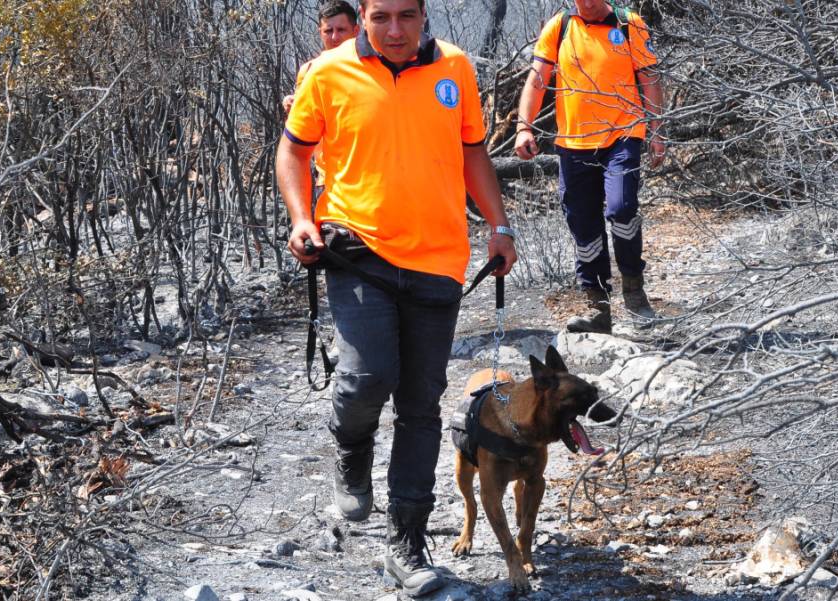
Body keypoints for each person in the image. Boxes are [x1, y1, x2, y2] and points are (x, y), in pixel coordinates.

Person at [275, 0, 517, 596]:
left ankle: (405, 542)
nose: (394, 30)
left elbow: (472, 153)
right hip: (356, 250)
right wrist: (302, 218)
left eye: (406, 16)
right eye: (381, 17)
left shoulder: (455, 68)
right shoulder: (328, 71)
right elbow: (294, 151)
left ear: (424, 14)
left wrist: (500, 225)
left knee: (421, 403)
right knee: (367, 375)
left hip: (438, 258)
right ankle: (351, 451)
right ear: (363, 15)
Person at [515, 0, 666, 334]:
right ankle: (598, 308)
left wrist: (656, 131)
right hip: (573, 145)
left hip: (622, 137)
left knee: (622, 209)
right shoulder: (560, 27)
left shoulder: (629, 24)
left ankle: (634, 292)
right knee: (584, 227)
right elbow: (537, 80)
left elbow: (650, 79)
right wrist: (524, 127)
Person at [281, 1, 360, 206]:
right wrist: (293, 107)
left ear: (356, 31)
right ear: (320, 32)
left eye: (341, 30)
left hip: (363, 180)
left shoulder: (371, 70)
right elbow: (305, 129)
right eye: (328, 30)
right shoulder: (309, 72)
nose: (335, 37)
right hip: (326, 181)